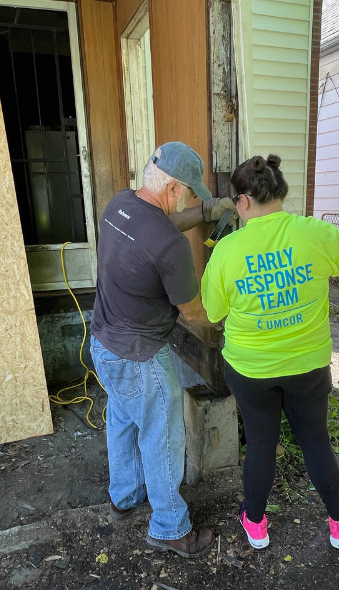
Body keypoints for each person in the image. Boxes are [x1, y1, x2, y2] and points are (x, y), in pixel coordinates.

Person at [201, 154, 339, 550]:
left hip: (250, 368)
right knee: (315, 440)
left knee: (261, 442)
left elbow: (213, 312)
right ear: (280, 192)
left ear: (241, 202)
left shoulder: (228, 249)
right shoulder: (315, 233)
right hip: (307, 365)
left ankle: (256, 524)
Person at [90, 141, 235, 558]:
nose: (189, 200)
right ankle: (171, 527)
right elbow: (193, 311)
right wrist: (231, 312)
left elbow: (159, 225)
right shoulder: (170, 249)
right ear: (172, 188)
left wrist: (206, 213)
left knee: (121, 419)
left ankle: (124, 496)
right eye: (190, 194)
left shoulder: (118, 205)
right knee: (161, 436)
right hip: (140, 357)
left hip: (104, 343)